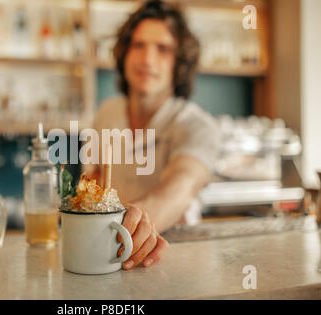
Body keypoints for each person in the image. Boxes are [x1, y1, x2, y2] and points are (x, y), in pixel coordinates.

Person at [85, 0, 221, 270]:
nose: (147, 59)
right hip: (108, 254)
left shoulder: (198, 126)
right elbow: (93, 182)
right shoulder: (106, 114)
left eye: (163, 49)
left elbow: (181, 186)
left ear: (179, 63)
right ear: (124, 54)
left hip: (174, 262)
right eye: (138, 45)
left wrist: (133, 225)